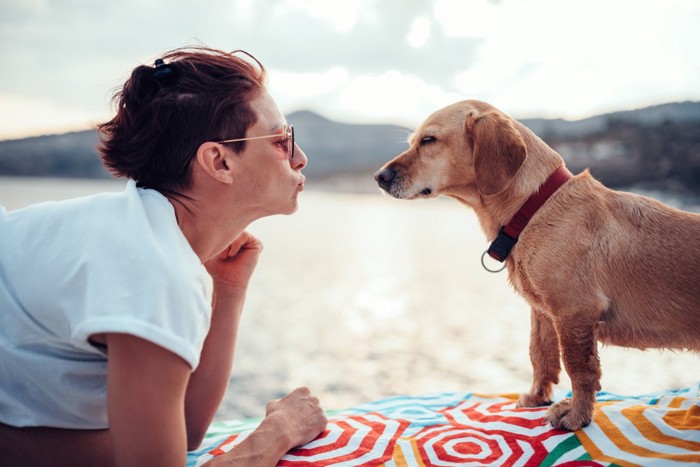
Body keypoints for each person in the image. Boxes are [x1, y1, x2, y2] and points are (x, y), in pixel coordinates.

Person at [0, 46, 327, 466]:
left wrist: (228, 288)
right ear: (219, 161)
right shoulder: (150, 267)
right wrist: (277, 433)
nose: (300, 158)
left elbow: (184, 429)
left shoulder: (141, 233)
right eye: (283, 141)